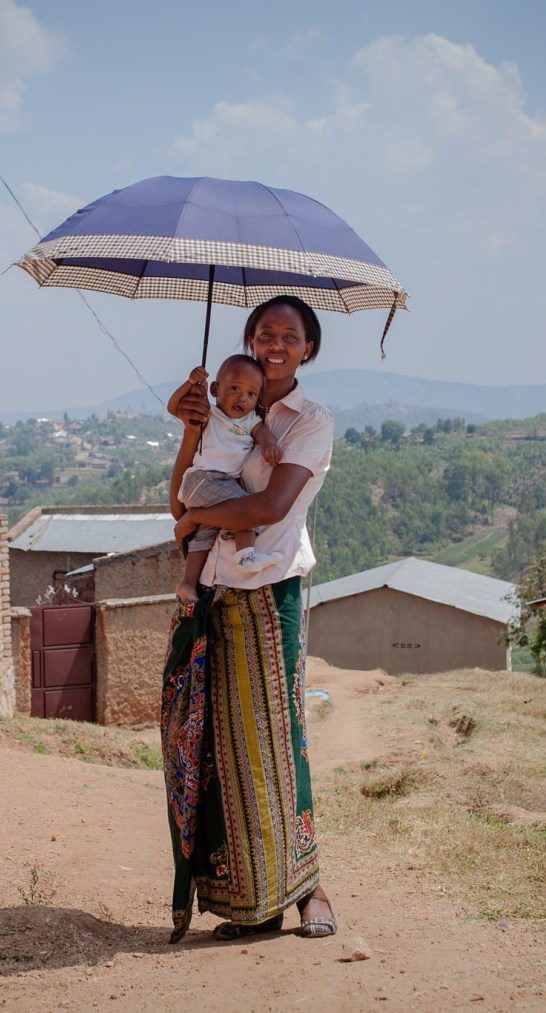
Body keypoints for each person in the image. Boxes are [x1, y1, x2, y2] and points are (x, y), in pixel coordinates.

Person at [160, 294, 339, 943]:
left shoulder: (308, 421)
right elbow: (184, 490)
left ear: (307, 349)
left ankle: (308, 885)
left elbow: (267, 506)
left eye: (289, 336)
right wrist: (189, 428)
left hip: (269, 592)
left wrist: (192, 521)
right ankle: (250, 901)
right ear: (249, 341)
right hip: (215, 591)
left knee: (279, 737)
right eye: (264, 332)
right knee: (220, 746)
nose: (275, 343)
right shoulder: (224, 407)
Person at [169, 354, 284, 605]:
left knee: (205, 534)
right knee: (245, 510)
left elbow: (262, 432)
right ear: (215, 389)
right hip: (204, 480)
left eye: (251, 394)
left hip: (218, 485)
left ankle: (187, 583)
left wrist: (269, 444)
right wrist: (190, 384)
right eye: (234, 388)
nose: (243, 397)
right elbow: (174, 407)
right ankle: (245, 557)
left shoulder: (249, 420)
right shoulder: (209, 413)